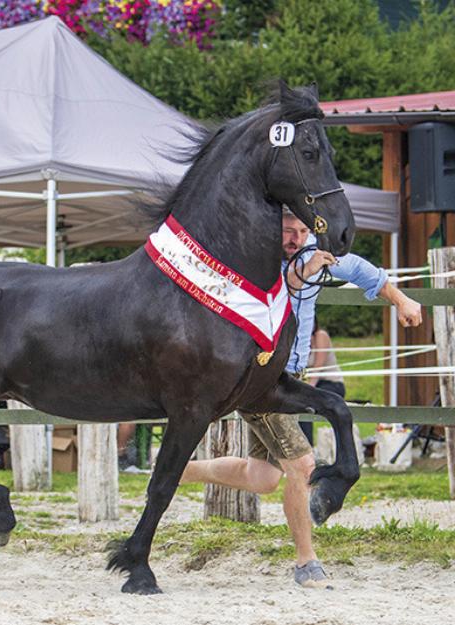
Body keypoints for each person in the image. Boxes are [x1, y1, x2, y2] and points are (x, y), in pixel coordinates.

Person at [181, 208, 422, 588]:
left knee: (261, 478)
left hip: (294, 378)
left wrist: (400, 299)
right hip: (260, 376)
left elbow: (357, 268)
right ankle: (306, 563)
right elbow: (259, 298)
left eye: (301, 230)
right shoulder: (254, 258)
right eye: (287, 229)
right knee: (304, 467)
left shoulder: (311, 252)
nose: (294, 237)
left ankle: (181, 470)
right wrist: (298, 275)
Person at [299, 319, 345, 445]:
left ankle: (308, 446)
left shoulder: (321, 336)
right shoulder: (300, 340)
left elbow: (318, 368)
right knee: (298, 404)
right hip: (314, 384)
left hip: (332, 384)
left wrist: (307, 390)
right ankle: (304, 447)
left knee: (305, 401)